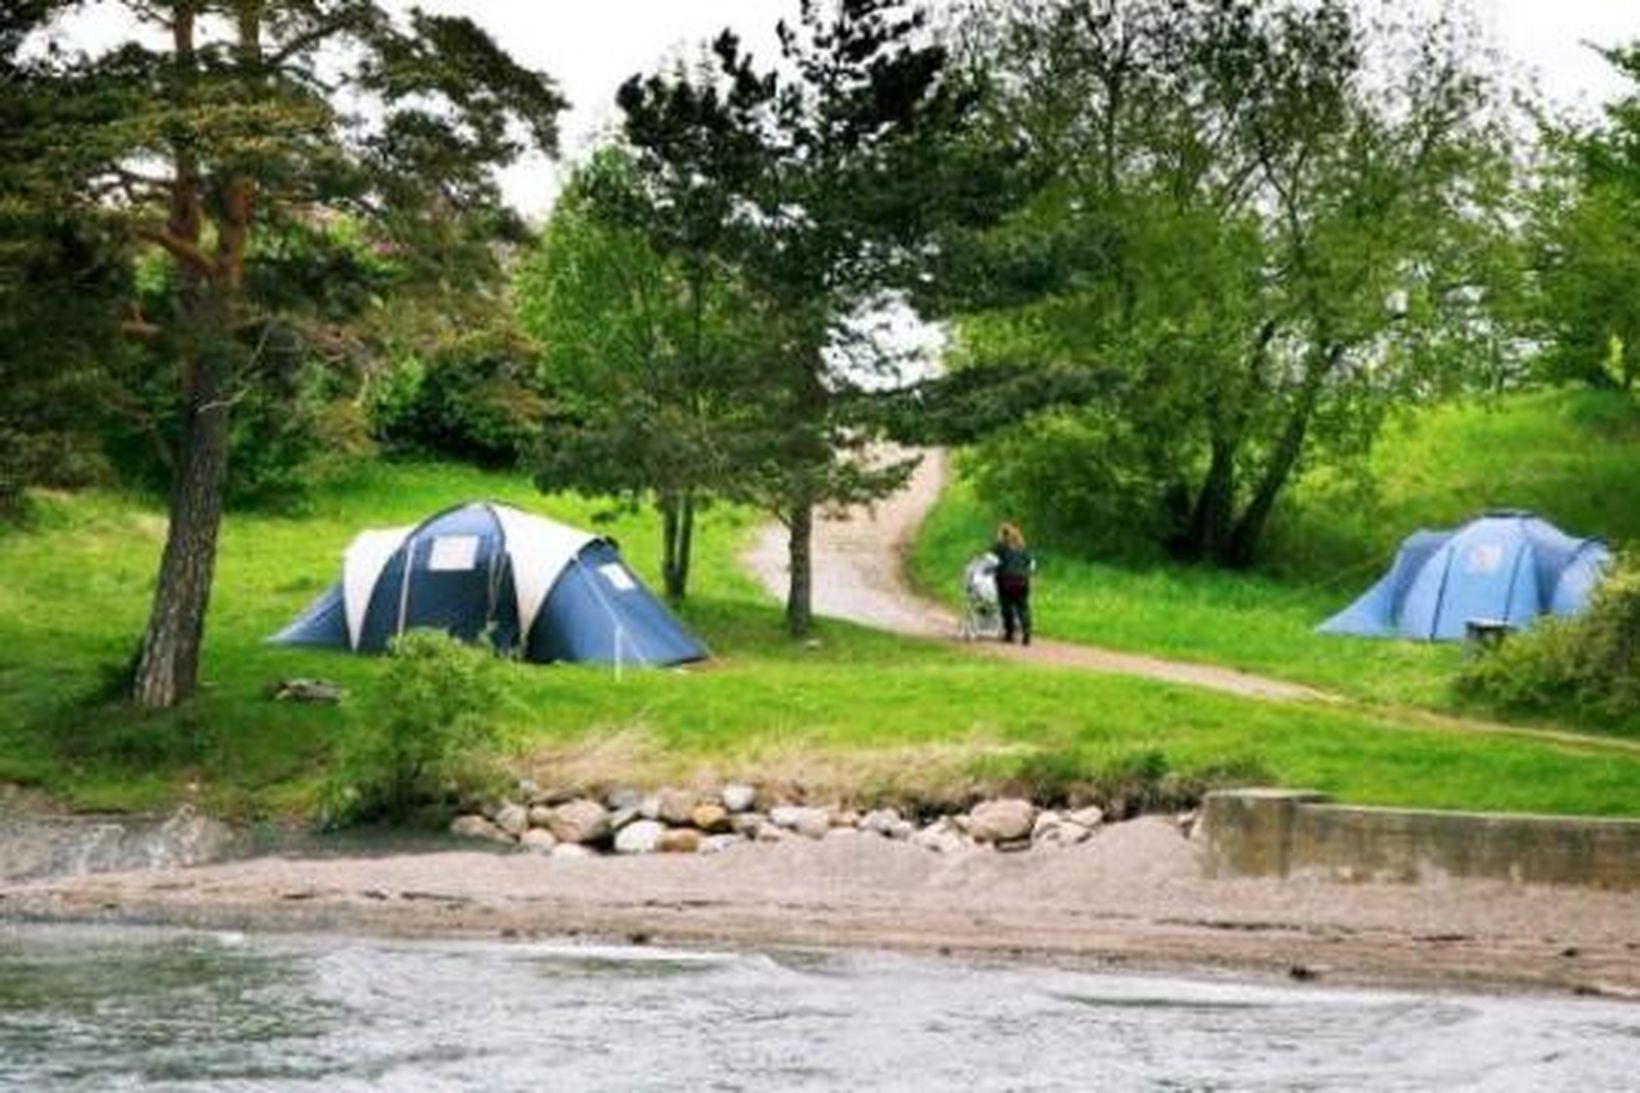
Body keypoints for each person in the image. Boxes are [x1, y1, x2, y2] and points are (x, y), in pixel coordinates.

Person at [990, 522, 1035, 645]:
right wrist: (1027, 575)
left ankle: (1009, 634)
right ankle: (1027, 633)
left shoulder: (1002, 548)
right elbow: (1032, 565)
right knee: (1023, 607)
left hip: (1007, 581)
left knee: (1007, 608)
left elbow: (992, 562)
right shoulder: (1024, 550)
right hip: (1022, 581)